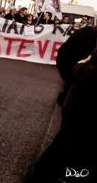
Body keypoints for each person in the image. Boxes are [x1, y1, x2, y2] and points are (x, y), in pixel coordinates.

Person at [26, 45, 97, 183]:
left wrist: (81, 64)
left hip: (83, 113)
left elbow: (86, 74)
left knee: (64, 148)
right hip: (81, 112)